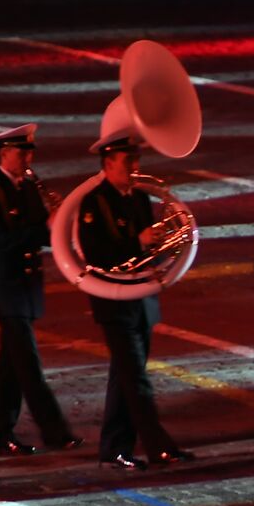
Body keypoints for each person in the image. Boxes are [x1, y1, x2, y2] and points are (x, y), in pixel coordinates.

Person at [78, 127, 194, 471]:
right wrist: (139, 240)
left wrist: (160, 245)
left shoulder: (141, 198)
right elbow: (96, 254)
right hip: (113, 303)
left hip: (141, 300)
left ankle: (114, 449)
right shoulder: (94, 202)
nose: (134, 166)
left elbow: (149, 251)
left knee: (126, 375)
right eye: (127, 160)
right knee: (135, 378)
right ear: (108, 163)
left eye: (135, 159)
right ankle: (158, 446)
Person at [0, 124, 80, 456]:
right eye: (22, 152)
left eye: (30, 152)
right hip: (7, 288)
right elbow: (2, 239)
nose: (27, 158)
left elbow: (44, 235)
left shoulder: (31, 189)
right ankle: (56, 431)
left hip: (27, 288)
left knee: (11, 366)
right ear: (4, 153)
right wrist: (42, 227)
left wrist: (58, 220)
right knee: (29, 365)